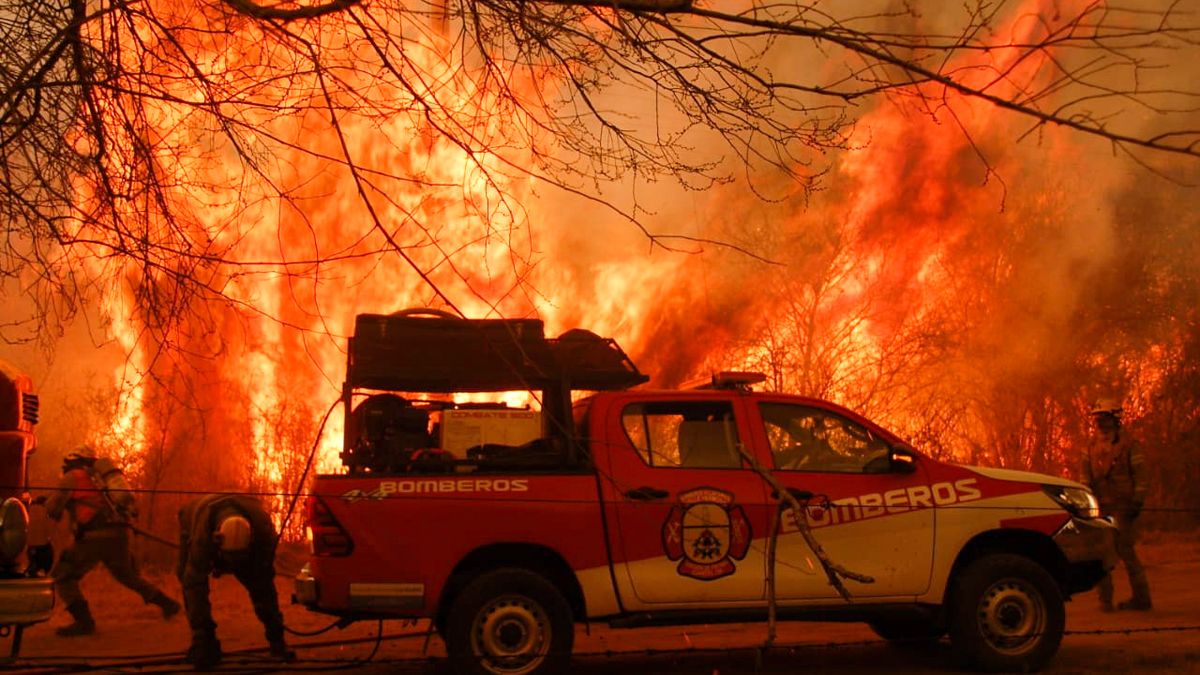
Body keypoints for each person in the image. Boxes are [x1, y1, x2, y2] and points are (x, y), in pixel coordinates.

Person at [44, 445, 181, 636]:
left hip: (93, 538)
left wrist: (51, 502)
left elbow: (53, 509)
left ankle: (84, 623)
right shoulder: (102, 479)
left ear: (72, 461)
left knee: (63, 575)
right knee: (128, 576)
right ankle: (168, 604)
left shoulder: (72, 477)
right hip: (118, 535)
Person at [177, 493, 294, 669]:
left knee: (262, 588)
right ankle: (204, 642)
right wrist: (203, 638)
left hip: (246, 543)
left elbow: (265, 584)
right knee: (188, 579)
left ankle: (277, 641)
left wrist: (277, 636)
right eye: (230, 557)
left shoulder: (263, 530)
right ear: (217, 540)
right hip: (195, 521)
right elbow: (194, 584)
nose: (234, 564)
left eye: (238, 557)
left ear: (251, 540)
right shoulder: (203, 534)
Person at [1081, 398, 1152, 611]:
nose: (1099, 424)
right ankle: (1105, 602)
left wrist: (1137, 501)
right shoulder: (1090, 447)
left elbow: (1141, 476)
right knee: (1101, 553)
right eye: (1096, 419)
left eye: (1103, 419)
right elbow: (1084, 477)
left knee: (1125, 551)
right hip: (1099, 506)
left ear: (1114, 420)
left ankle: (1142, 599)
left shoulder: (1129, 445)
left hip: (1123, 505)